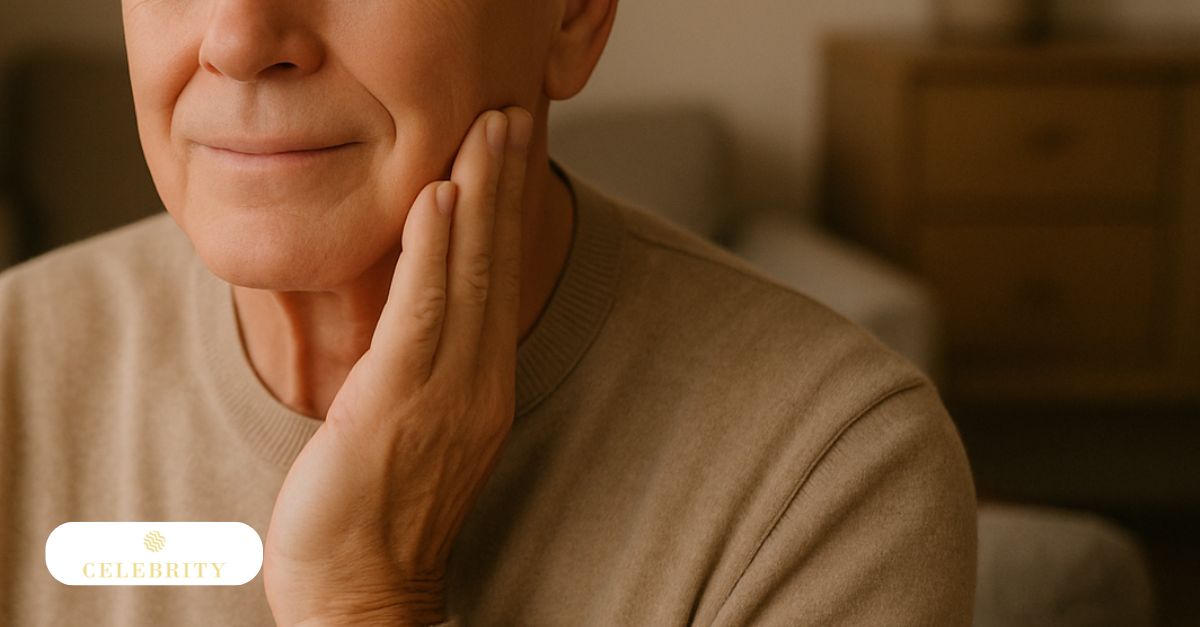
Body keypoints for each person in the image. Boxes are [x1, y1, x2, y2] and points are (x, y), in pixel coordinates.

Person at [0, 0, 977, 625]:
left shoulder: (831, 471)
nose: (240, 39)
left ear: (574, 17)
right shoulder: (14, 367)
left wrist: (365, 597)